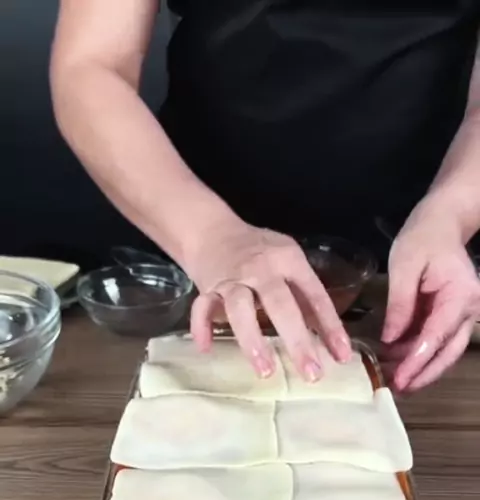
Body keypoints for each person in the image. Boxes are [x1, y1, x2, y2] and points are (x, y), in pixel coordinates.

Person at [50, 1, 480, 391]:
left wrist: (452, 214)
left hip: (424, 260)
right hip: (199, 245)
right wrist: (209, 237)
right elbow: (90, 66)